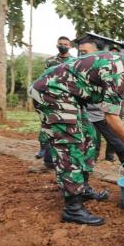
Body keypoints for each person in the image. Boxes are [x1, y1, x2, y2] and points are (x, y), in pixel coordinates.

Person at [29, 43, 124, 225]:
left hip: (71, 97)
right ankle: (72, 207)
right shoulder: (119, 70)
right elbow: (111, 117)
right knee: (71, 144)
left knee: (89, 137)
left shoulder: (119, 65)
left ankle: (81, 188)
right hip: (53, 92)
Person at [76, 37, 124, 172]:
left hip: (101, 113)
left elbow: (112, 101)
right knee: (90, 142)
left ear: (98, 51)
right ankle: (88, 167)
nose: (83, 55)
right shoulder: (80, 66)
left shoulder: (110, 67)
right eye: (81, 52)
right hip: (84, 113)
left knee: (115, 139)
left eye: (85, 52)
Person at [35, 36, 74, 166]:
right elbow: (45, 77)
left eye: (66, 44)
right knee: (49, 124)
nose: (63, 46)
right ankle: (45, 153)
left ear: (70, 46)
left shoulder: (74, 61)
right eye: (61, 44)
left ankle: (64, 156)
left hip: (67, 98)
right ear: (57, 45)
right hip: (51, 96)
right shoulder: (50, 61)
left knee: (65, 127)